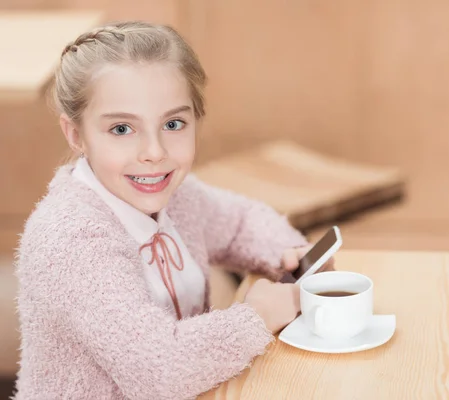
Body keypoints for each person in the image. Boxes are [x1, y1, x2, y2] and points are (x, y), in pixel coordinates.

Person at [12, 21, 332, 399]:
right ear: (76, 134)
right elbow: (159, 371)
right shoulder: (70, 239)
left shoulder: (175, 195)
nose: (154, 152)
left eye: (173, 123)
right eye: (121, 129)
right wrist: (257, 317)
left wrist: (285, 253)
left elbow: (240, 221)